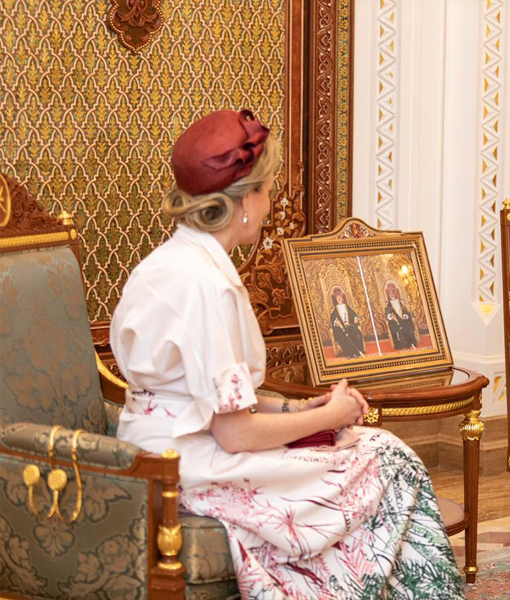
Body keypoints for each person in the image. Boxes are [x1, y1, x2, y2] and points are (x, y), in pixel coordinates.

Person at [110, 110, 464, 599]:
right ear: (244, 203)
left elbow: (224, 399)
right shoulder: (206, 285)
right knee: (388, 457)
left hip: (165, 449)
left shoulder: (173, 263)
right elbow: (234, 432)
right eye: (268, 188)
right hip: (184, 468)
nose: (272, 201)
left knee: (364, 447)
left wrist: (307, 409)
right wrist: (336, 413)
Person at [329, 287, 367, 358]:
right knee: (343, 336)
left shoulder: (347, 307)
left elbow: (354, 315)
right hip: (341, 329)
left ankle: (356, 352)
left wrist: (355, 318)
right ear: (336, 300)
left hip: (350, 326)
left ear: (342, 298)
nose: (339, 299)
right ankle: (349, 354)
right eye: (337, 298)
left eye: (340, 297)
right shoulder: (334, 310)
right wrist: (336, 323)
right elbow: (333, 320)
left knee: (354, 332)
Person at [384, 283, 418, 350]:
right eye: (390, 294)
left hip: (403, 320)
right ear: (389, 295)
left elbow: (405, 311)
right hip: (395, 321)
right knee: (398, 329)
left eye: (393, 294)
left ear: (394, 294)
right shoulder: (388, 305)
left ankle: (410, 344)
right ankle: (401, 345)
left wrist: (405, 315)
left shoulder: (400, 302)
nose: (392, 295)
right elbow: (387, 313)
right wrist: (391, 316)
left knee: (407, 327)